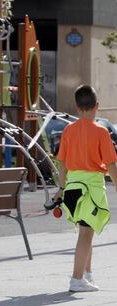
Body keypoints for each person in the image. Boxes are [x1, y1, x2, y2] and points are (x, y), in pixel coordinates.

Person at [55, 85, 117, 292]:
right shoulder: (101, 132)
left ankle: (87, 275)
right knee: (86, 232)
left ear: (77, 107)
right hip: (91, 187)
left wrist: (61, 187)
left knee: (85, 230)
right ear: (97, 106)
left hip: (72, 186)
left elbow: (61, 162)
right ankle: (76, 279)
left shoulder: (68, 130)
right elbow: (111, 164)